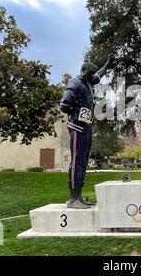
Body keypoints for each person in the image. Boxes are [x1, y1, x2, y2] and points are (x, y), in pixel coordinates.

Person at [60, 55, 113, 209]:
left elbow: (100, 75)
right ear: (83, 70)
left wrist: (107, 63)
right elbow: (64, 105)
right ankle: (72, 198)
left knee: (83, 161)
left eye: (93, 72)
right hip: (77, 126)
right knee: (77, 161)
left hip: (87, 126)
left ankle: (79, 195)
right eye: (90, 72)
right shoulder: (75, 83)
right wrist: (76, 115)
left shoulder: (88, 82)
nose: (92, 74)